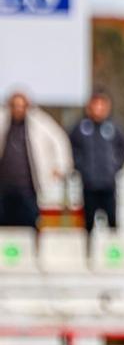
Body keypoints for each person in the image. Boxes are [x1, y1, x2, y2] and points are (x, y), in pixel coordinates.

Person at [0, 91, 71, 248]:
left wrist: (60, 166)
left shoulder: (39, 122)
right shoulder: (3, 121)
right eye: (15, 106)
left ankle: (32, 255)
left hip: (28, 188)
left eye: (21, 106)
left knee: (29, 224)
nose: (18, 109)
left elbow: (59, 140)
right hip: (4, 188)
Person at [69, 90, 124, 259]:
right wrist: (81, 167)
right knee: (88, 222)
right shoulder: (81, 128)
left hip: (108, 184)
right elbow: (72, 149)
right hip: (88, 184)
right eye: (95, 105)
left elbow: (123, 148)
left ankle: (113, 255)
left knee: (112, 221)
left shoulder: (114, 128)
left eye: (102, 106)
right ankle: (87, 256)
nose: (98, 109)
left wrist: (114, 167)